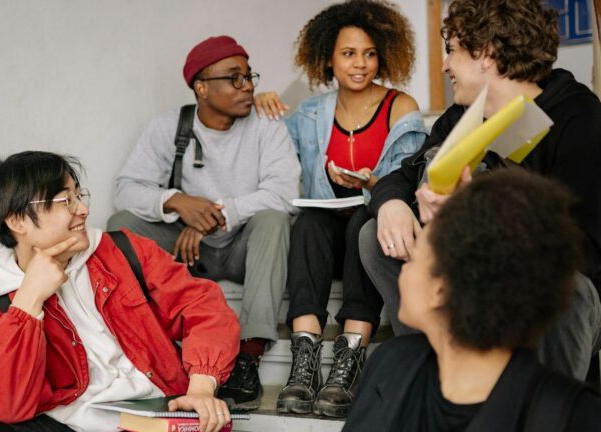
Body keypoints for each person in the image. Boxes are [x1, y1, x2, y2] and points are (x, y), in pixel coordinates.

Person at [360, 0, 601, 380]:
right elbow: (401, 175)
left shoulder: (577, 115)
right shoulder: (461, 116)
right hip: (475, 282)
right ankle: (438, 377)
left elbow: (585, 251)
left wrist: (476, 223)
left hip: (553, 285)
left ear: (486, 54)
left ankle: (543, 405)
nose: (444, 65)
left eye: (452, 50)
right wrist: (391, 204)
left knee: (567, 287)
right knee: (374, 238)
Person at [0, 151, 239, 432]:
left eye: (79, 195)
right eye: (66, 199)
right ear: (17, 221)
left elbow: (203, 306)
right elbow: (5, 405)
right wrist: (29, 301)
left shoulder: (124, 252)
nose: (83, 209)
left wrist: (201, 388)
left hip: (153, 413)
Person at [107, 35, 300, 410]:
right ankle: (147, 341)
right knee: (122, 224)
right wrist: (176, 201)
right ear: (202, 87)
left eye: (250, 76)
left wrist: (217, 214)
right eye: (235, 78)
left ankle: (248, 355)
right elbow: (126, 190)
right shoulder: (170, 126)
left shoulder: (266, 124)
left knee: (275, 219)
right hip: (188, 253)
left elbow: (285, 192)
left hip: (246, 248)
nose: (248, 87)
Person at [254, 0, 426, 417]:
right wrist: (262, 106)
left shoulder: (400, 108)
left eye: (369, 53)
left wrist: (371, 185)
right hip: (326, 239)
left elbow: (407, 181)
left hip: (370, 238)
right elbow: (275, 158)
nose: (360, 64)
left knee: (362, 223)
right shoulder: (310, 113)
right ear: (327, 59)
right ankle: (305, 360)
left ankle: (348, 358)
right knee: (310, 222)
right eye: (348, 53)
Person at [345, 169, 601, 432]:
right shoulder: (390, 363)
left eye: (415, 257)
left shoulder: (569, 416)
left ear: (441, 290)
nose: (403, 268)